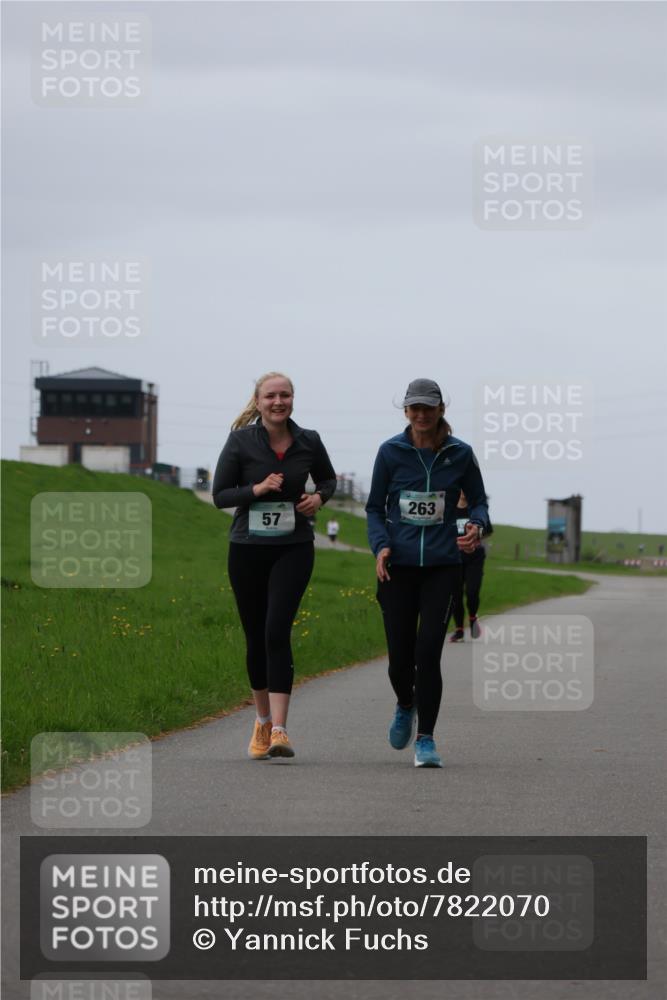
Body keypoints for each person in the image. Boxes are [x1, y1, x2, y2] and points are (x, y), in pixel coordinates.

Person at [212, 372, 336, 760]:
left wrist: (319, 499)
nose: (278, 402)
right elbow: (219, 495)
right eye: (271, 396)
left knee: (276, 631)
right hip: (247, 549)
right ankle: (262, 721)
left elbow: (328, 480)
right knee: (256, 636)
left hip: (293, 547)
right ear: (258, 400)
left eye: (285, 395)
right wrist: (257, 490)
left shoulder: (309, 440)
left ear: (293, 399)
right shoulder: (240, 441)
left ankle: (281, 730)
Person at [366, 378, 490, 768]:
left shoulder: (460, 453)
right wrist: (380, 545)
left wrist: (476, 526)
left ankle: (426, 740)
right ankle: (406, 703)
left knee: (428, 653)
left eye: (428, 407)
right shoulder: (390, 452)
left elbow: (480, 502)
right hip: (398, 567)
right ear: (405, 411)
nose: (421, 414)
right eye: (413, 407)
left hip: (442, 567)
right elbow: (373, 508)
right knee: (399, 659)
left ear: (440, 410)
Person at [449, 491, 492, 642]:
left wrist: (475, 535)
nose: (463, 492)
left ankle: (473, 618)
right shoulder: (450, 509)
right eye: (459, 488)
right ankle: (459, 629)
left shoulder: (476, 510)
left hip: (475, 557)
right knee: (456, 594)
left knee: (472, 592)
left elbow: (488, 531)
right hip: (455, 557)